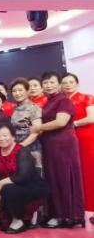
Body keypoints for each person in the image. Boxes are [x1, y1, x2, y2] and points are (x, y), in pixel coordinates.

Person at [30, 72, 85, 229]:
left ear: (59, 84)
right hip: (50, 144)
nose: (48, 85)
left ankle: (69, 215)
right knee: (54, 178)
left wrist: (38, 128)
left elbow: (61, 122)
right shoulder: (49, 101)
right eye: (46, 83)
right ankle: (57, 214)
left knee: (64, 177)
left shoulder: (64, 100)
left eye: (52, 82)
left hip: (63, 143)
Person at [0, 123, 50, 234]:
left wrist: (0, 185)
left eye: (5, 135)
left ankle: (18, 221)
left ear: (13, 136)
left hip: (31, 185)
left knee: (8, 189)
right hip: (11, 185)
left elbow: (23, 176)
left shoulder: (22, 151)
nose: (1, 139)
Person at [61, 73, 94, 216]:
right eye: (65, 82)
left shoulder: (87, 97)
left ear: (77, 83)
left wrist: (73, 124)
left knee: (90, 170)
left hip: (86, 138)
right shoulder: (61, 101)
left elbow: (92, 118)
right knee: (75, 172)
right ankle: (79, 208)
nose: (68, 85)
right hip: (68, 139)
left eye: (71, 82)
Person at [10, 78, 44, 175]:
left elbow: (36, 131)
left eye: (20, 90)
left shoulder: (33, 108)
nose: (17, 93)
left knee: (33, 177)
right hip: (17, 148)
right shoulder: (14, 109)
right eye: (14, 91)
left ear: (27, 91)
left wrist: (21, 146)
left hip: (31, 148)